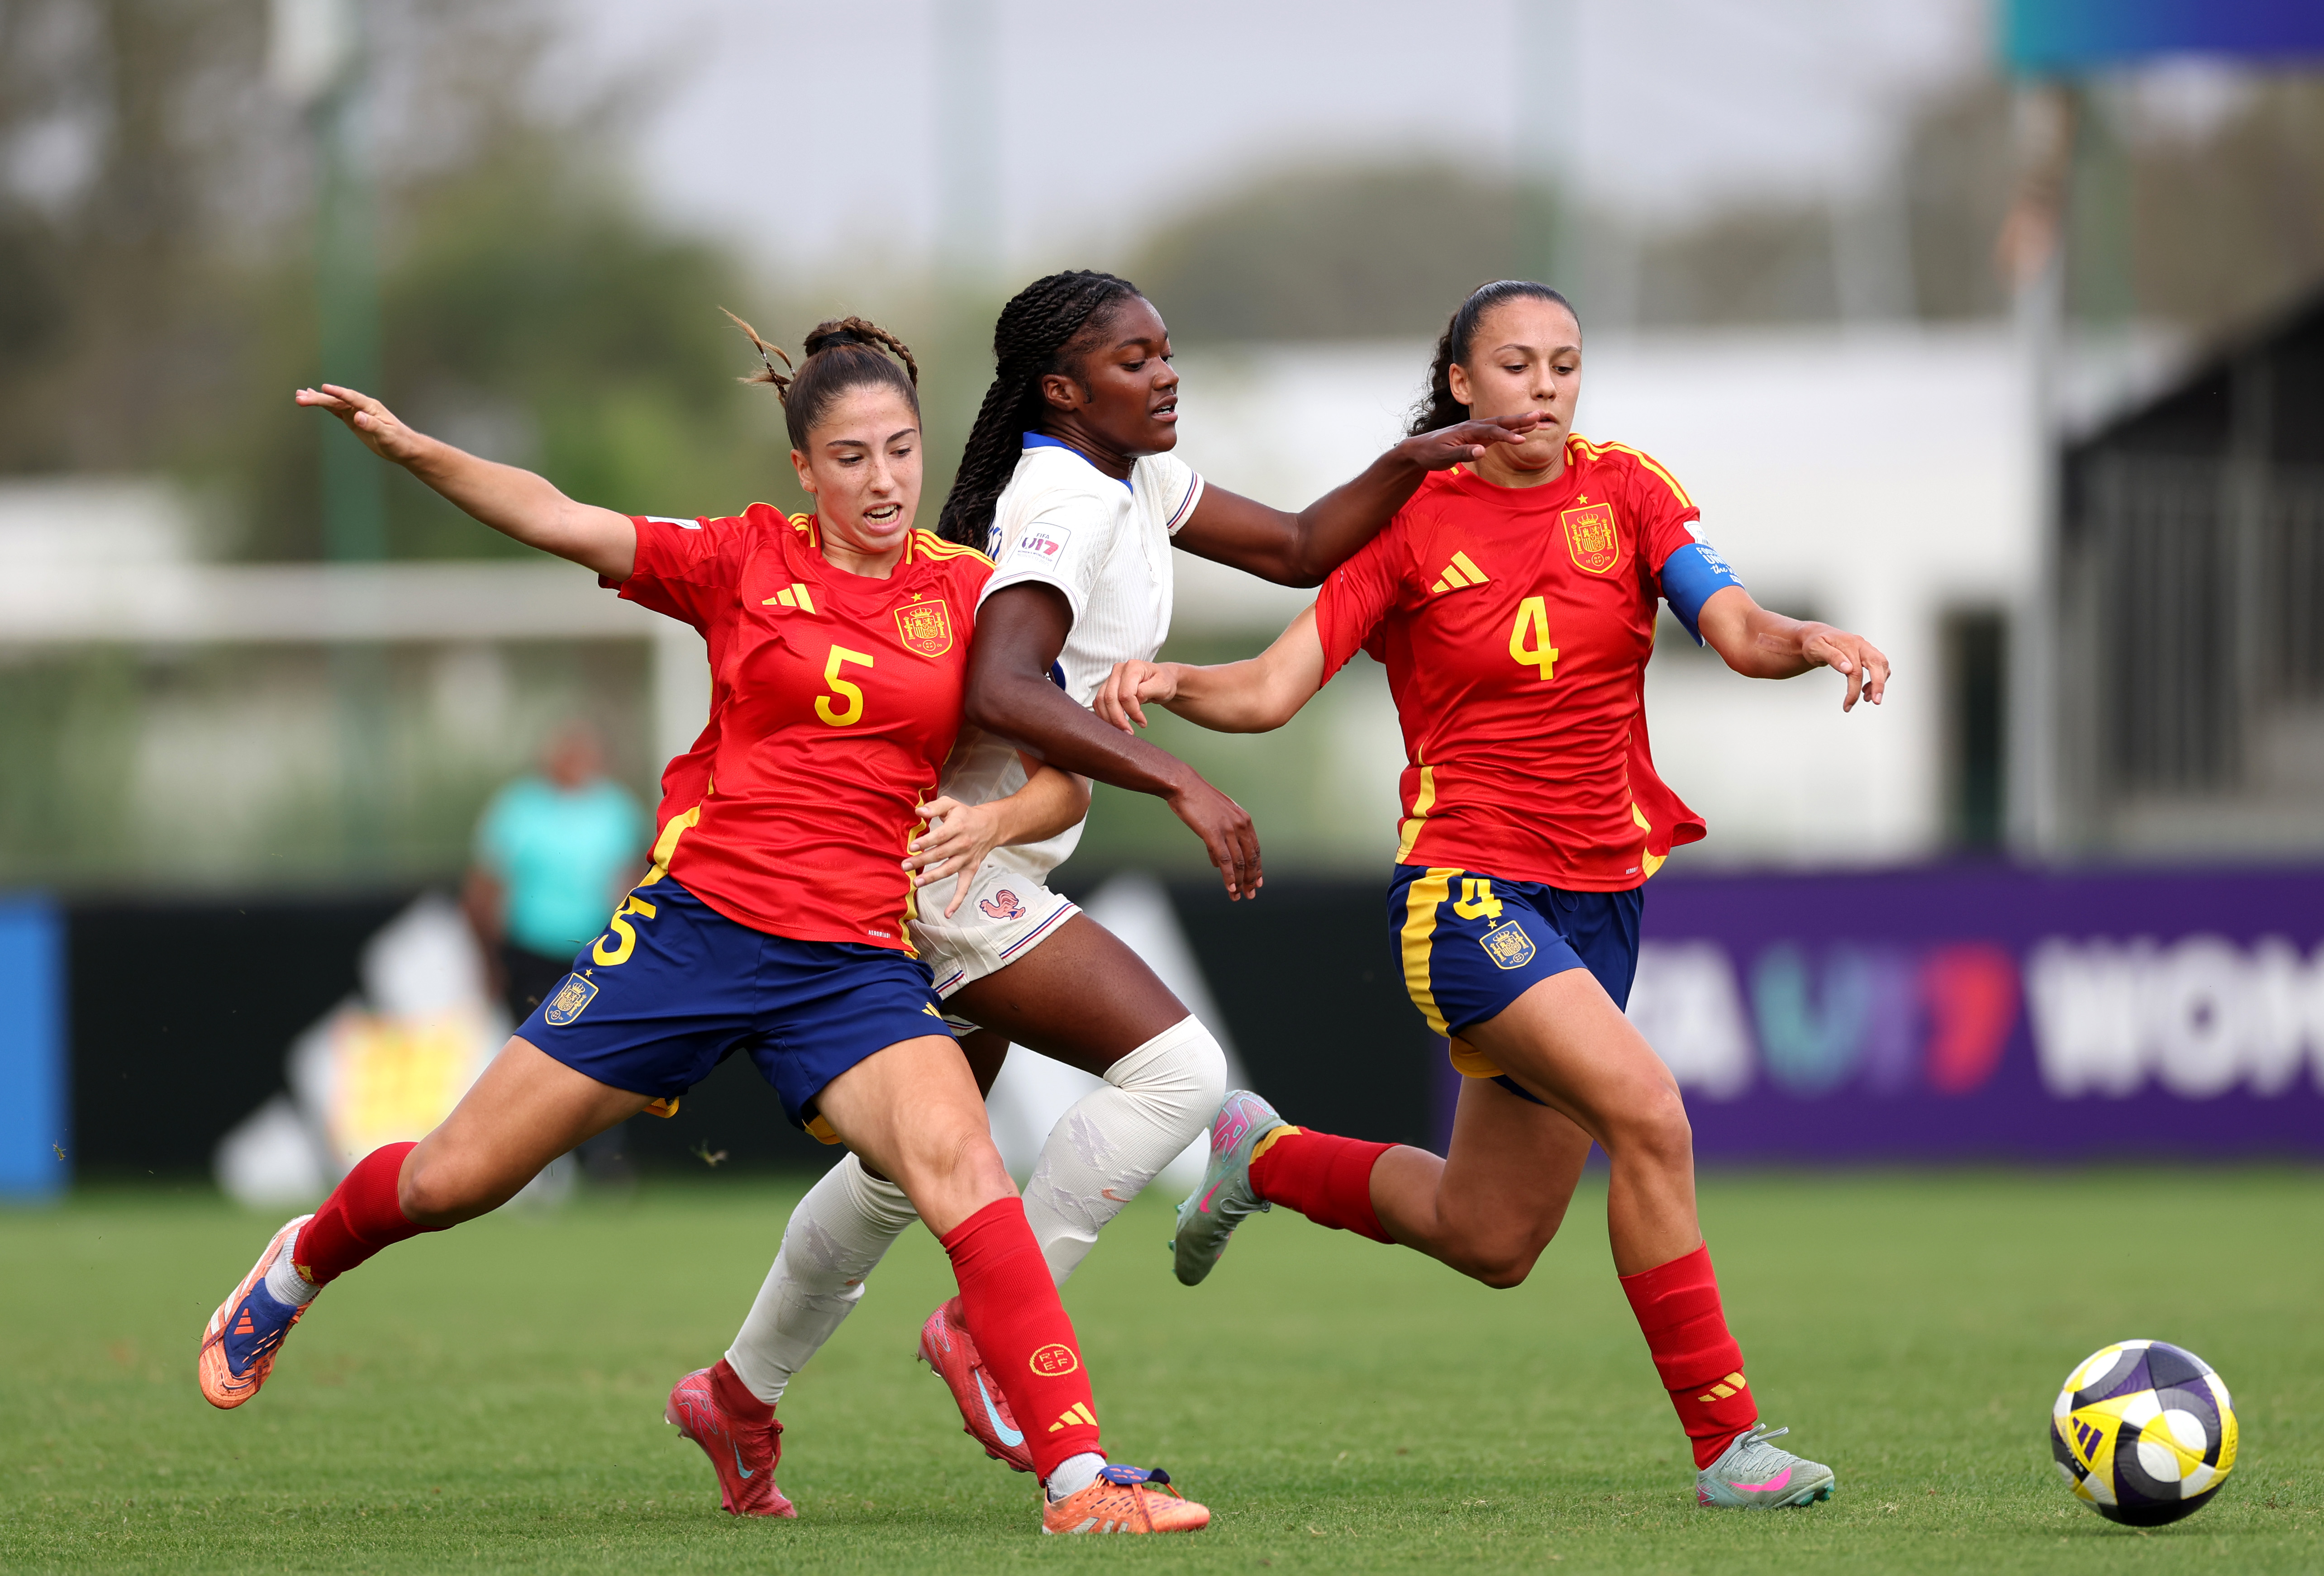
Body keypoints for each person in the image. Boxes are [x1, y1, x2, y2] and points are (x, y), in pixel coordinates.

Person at [197, 317, 1210, 1536]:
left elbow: (1061, 781)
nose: (882, 479)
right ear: (803, 468)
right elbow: (557, 516)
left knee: (965, 1169)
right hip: (691, 935)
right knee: (451, 1176)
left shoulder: (963, 591)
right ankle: (299, 1260)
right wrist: (418, 452)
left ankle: (1077, 1482)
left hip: (851, 963)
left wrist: (990, 823)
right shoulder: (741, 559)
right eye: (851, 457)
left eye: (900, 449)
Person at [682, 271, 1543, 1502]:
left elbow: (1298, 547)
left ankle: (735, 1393)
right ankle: (989, 1330)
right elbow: (1002, 685)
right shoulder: (1063, 499)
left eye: (1164, 350)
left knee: (895, 1171)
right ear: (1062, 389)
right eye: (1133, 359)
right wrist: (1180, 779)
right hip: (948, 857)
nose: (1164, 373)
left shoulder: (1131, 476)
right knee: (1181, 1070)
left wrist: (1415, 458)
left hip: (976, 849)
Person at [1093, 280, 1892, 1511]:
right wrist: (1169, 682)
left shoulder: (1628, 490)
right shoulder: (1412, 521)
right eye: (1516, 365)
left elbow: (1734, 629)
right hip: (1464, 892)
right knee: (1652, 1113)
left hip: (1602, 898)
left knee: (1492, 1234)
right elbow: (1270, 687)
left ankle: (1269, 1155)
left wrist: (1809, 637)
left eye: (1563, 363)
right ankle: (1728, 1443)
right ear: (1462, 384)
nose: (1545, 386)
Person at [466, 720, 648, 1182]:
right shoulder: (519, 807)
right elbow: (488, 886)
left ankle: (603, 1157)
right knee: (533, 1057)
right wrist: (488, 959)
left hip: (594, 953)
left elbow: (632, 882)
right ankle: (539, 1166)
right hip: (530, 951)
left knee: (597, 1052)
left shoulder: (615, 809)